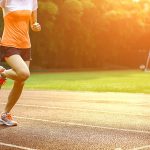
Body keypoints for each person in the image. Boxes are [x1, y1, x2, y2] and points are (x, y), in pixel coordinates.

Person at [0, 0, 41, 126]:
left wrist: (35, 25)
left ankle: (5, 114)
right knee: (24, 73)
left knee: (21, 81)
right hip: (9, 43)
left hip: (25, 45)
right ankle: (3, 73)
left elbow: (33, 22)